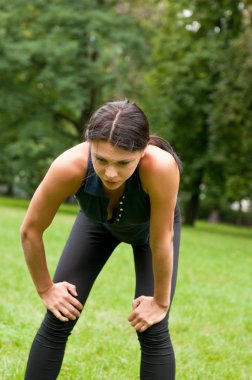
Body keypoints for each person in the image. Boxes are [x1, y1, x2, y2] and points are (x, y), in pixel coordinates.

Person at [20, 99, 181, 380]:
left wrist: (161, 302)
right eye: (101, 159)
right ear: (89, 145)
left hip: (150, 236)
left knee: (153, 328)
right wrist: (46, 288)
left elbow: (161, 240)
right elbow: (30, 230)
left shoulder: (161, 167)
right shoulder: (70, 166)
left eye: (123, 163)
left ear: (143, 152)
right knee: (59, 316)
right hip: (95, 226)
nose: (110, 173)